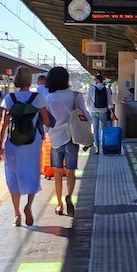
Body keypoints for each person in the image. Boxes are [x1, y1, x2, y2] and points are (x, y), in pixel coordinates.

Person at [0, 66, 50, 227]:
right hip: (33, 143)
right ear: (30, 81)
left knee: (13, 177)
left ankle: (16, 215)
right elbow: (47, 121)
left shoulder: (9, 98)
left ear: (16, 80)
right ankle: (28, 206)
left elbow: (3, 124)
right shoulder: (38, 98)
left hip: (13, 143)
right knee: (32, 173)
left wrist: (0, 145)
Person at [43, 66, 87, 217]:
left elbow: (46, 122)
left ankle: (59, 205)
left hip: (56, 139)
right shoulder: (76, 96)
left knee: (57, 172)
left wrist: (43, 134)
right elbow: (86, 116)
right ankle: (69, 196)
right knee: (70, 171)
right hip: (72, 138)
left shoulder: (48, 99)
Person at [88, 73, 112, 152]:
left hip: (93, 110)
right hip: (103, 111)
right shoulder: (107, 90)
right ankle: (104, 146)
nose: (94, 81)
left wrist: (90, 107)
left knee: (95, 129)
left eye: (95, 79)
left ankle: (96, 148)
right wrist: (112, 112)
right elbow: (109, 102)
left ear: (98, 80)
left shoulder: (91, 88)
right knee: (104, 129)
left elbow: (88, 101)